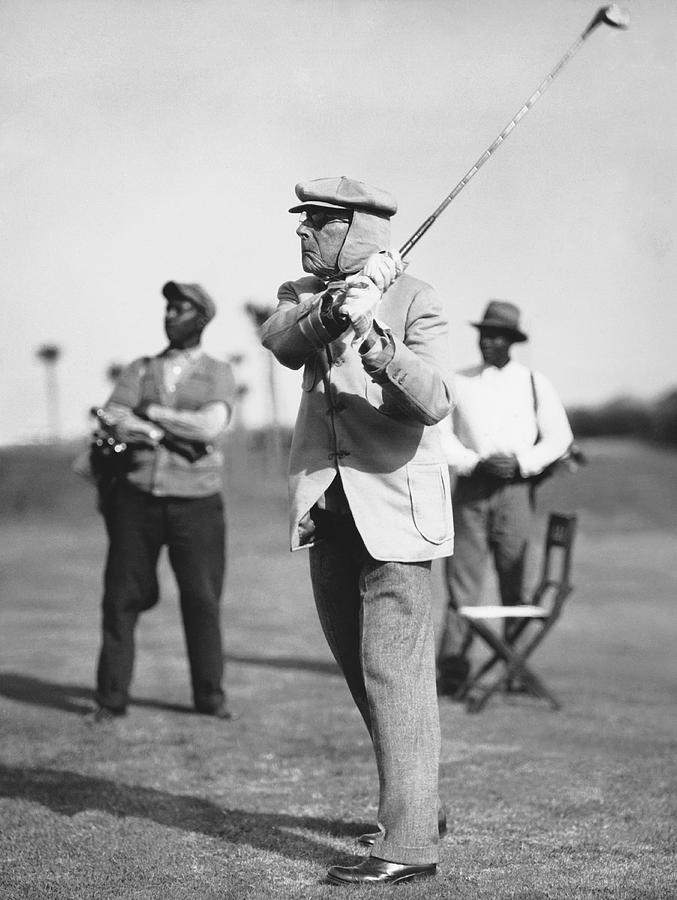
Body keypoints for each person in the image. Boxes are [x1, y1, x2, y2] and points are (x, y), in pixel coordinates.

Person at [260, 176, 454, 886]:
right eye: (303, 222)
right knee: (363, 675)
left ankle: (407, 843)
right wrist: (334, 310)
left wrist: (375, 337)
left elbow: (430, 401)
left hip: (396, 511)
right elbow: (280, 338)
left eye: (315, 222)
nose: (303, 233)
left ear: (357, 228)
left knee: (392, 673)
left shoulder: (416, 299)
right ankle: (417, 804)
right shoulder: (301, 293)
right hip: (329, 510)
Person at [89, 281, 236, 722]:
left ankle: (210, 697)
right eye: (168, 308)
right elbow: (113, 415)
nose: (171, 315)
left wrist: (151, 415)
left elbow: (210, 426)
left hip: (197, 501)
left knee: (202, 599)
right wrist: (160, 433)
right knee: (120, 597)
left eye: (181, 309)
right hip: (137, 500)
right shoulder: (140, 368)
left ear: (202, 318)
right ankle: (111, 700)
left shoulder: (218, 371)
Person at [436, 299, 573, 696]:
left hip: (516, 491)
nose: (489, 342)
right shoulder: (459, 381)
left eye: (498, 335)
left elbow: (559, 438)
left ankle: (512, 668)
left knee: (515, 579)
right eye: (484, 334)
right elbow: (439, 436)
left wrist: (522, 463)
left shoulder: (533, 382)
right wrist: (474, 463)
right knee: (463, 584)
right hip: (472, 491)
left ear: (512, 340)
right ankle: (453, 669)